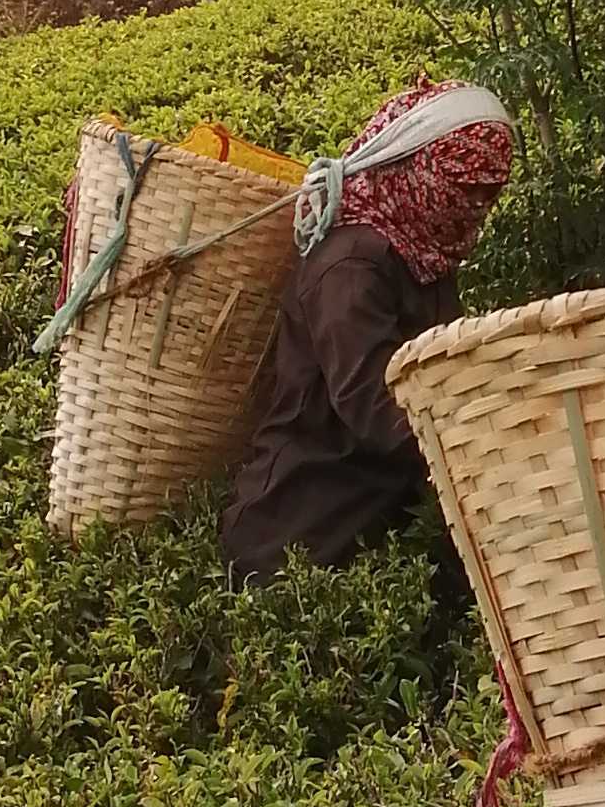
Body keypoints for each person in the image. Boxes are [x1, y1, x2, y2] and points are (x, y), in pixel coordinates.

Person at [221, 78, 515, 585]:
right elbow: (376, 405)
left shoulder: (420, 248)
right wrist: (485, 450)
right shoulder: (351, 265)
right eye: (466, 193)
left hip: (378, 519)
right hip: (302, 535)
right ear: (417, 169)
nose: (475, 211)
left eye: (488, 198)